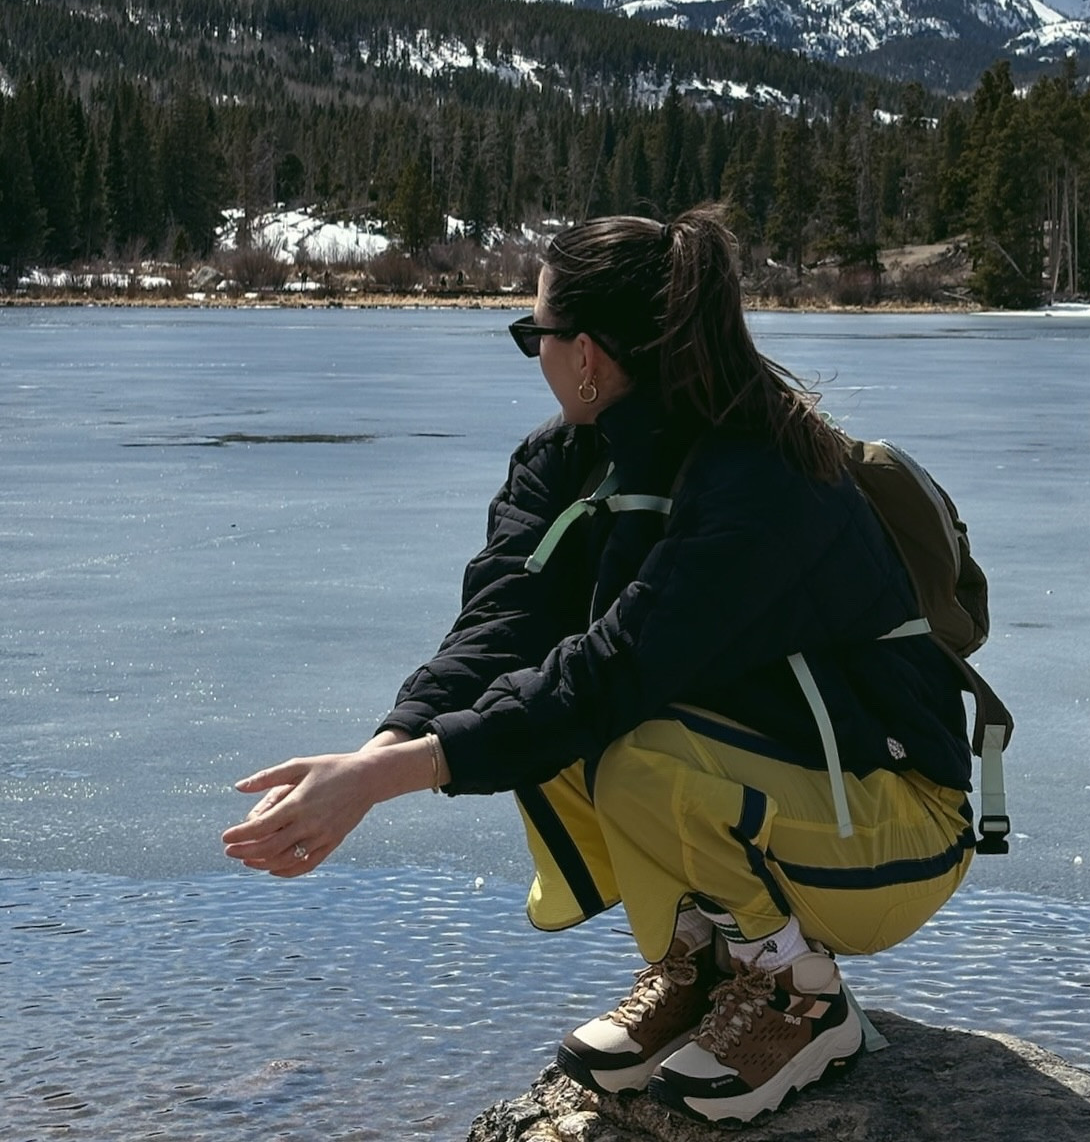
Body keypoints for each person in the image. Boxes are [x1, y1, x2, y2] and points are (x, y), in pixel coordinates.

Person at [222, 206, 976, 1123]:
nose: (533, 354)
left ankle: (800, 997)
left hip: (898, 827)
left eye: (532, 333)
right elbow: (502, 626)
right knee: (534, 725)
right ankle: (704, 967)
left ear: (586, 353)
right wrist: (378, 752)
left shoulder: (763, 477)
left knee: (628, 753)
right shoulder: (567, 461)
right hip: (797, 789)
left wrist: (387, 780)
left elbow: (615, 670)